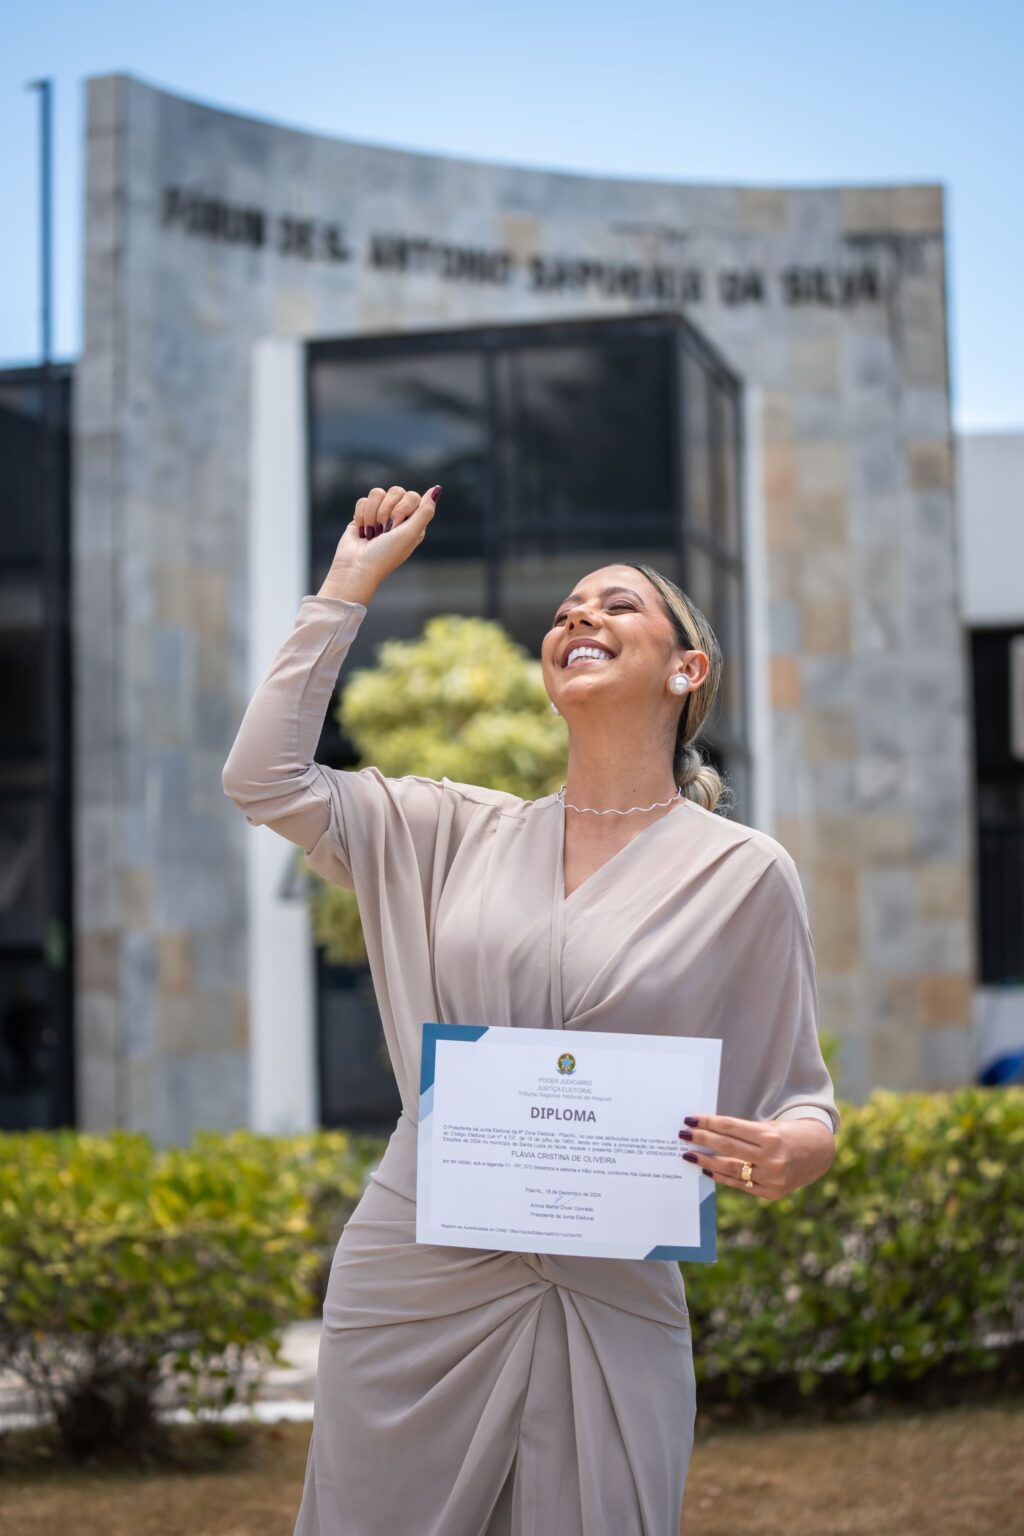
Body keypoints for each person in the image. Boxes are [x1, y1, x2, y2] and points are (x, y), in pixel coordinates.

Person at [222, 483, 839, 1536]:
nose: (577, 618)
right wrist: (346, 587)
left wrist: (791, 1152)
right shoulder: (445, 830)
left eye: (616, 605)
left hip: (611, 1285)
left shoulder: (743, 873)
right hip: (416, 1272)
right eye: (562, 612)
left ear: (686, 672)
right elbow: (263, 778)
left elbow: (800, 1096)